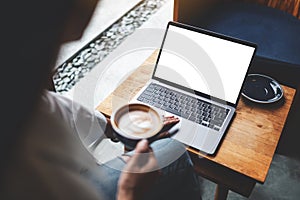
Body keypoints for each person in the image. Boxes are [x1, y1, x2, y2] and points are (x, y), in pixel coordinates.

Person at [1, 0, 201, 199]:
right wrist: (128, 192)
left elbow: (48, 105)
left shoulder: (18, 81)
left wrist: (118, 129)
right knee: (174, 151)